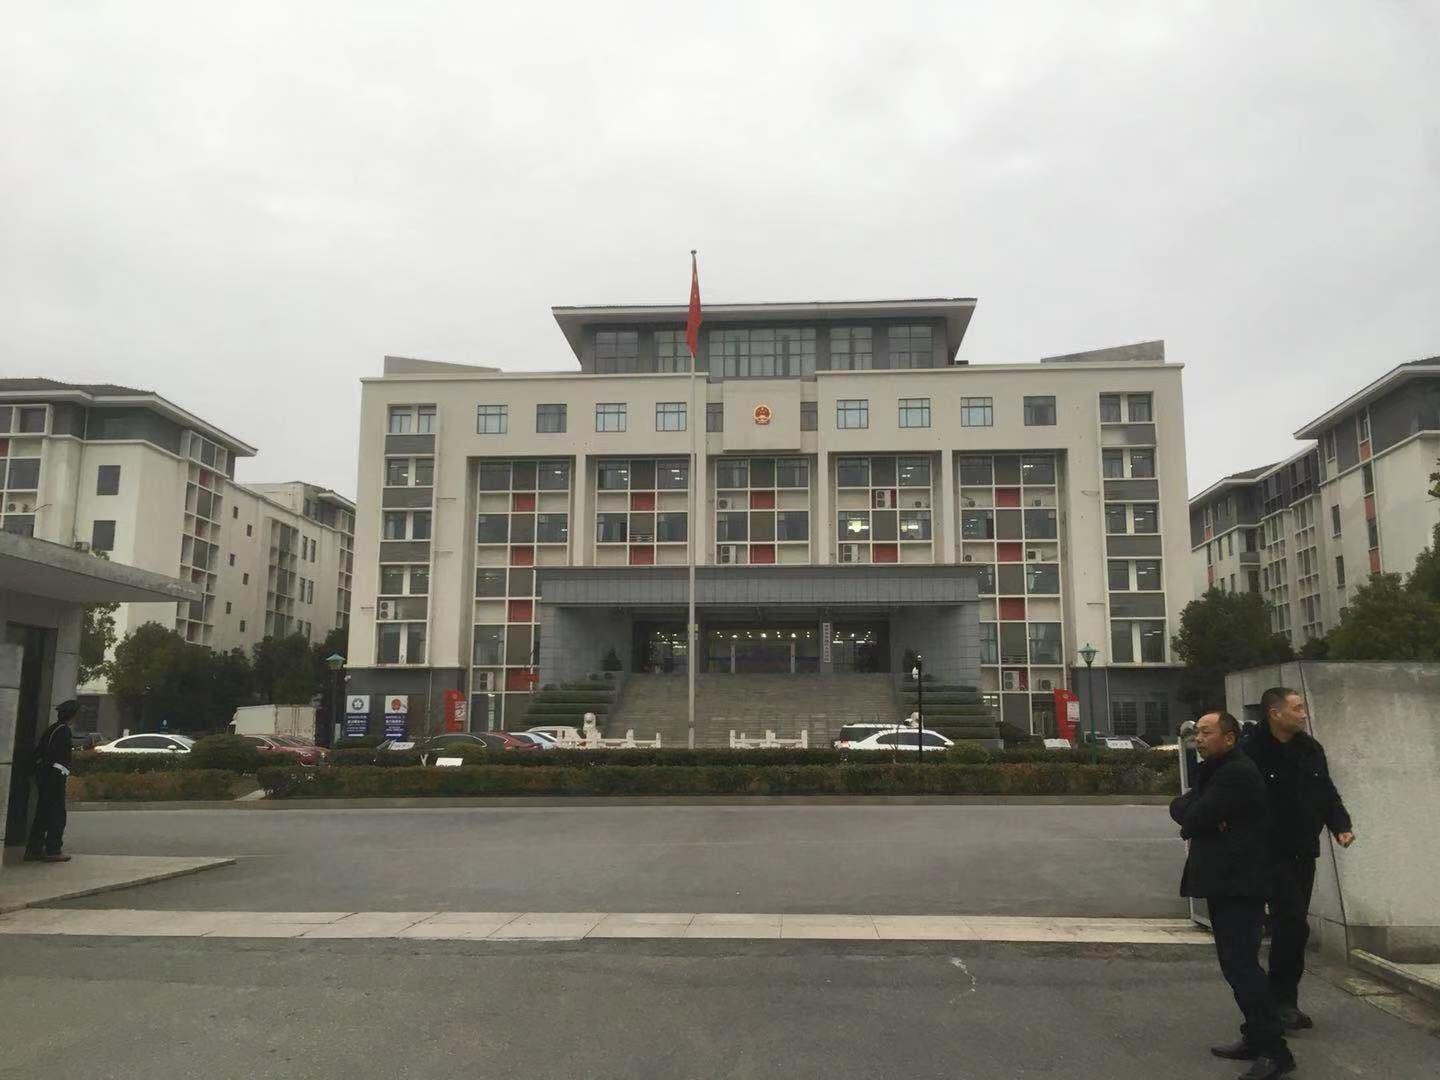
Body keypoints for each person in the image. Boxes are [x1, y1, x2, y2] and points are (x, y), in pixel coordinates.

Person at [1171, 711, 1294, 1080]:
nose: (1198, 738)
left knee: (1242, 967)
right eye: (1197, 733)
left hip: (1240, 883)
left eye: (1207, 733)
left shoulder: (1236, 772)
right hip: (1225, 882)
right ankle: (1256, 1037)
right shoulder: (1217, 771)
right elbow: (1185, 808)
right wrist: (1200, 814)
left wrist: (1198, 815)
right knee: (1235, 965)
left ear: (1229, 738)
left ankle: (1275, 1051)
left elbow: (1193, 817)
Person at [1243, 686, 1354, 1031]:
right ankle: (1267, 1002)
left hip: (1300, 851)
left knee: (1292, 926)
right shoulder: (1250, 750)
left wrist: (1340, 825)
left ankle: (1283, 1000)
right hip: (1263, 851)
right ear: (1275, 713)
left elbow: (1326, 791)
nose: (1303, 714)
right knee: (1272, 924)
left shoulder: (1310, 749)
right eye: (1296, 708)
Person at [24, 699, 76, 863]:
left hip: (44, 776)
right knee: (57, 814)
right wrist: (60, 773)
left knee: (43, 813)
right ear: (72, 715)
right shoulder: (63, 731)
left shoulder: (53, 729)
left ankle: (34, 849)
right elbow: (58, 756)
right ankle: (53, 850)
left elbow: (40, 751)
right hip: (54, 776)